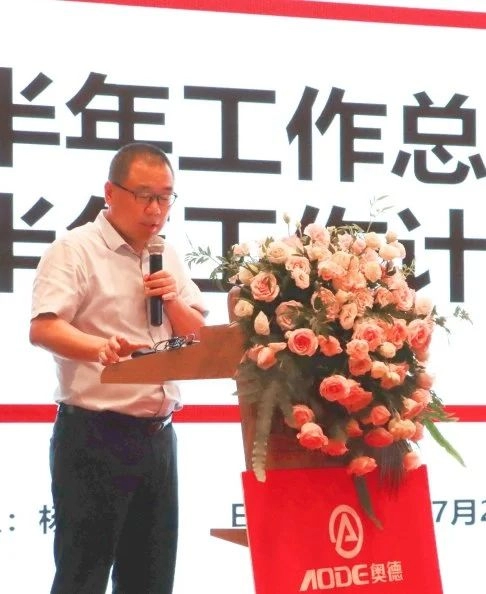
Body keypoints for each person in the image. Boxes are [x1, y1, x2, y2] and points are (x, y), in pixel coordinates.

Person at [29, 142, 206, 594]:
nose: (156, 210)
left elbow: (198, 335)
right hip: (95, 436)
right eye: (145, 196)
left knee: (151, 581)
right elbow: (44, 327)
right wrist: (100, 348)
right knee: (82, 578)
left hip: (158, 438)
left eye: (165, 197)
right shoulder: (74, 250)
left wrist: (172, 299)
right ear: (110, 192)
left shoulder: (166, 253)